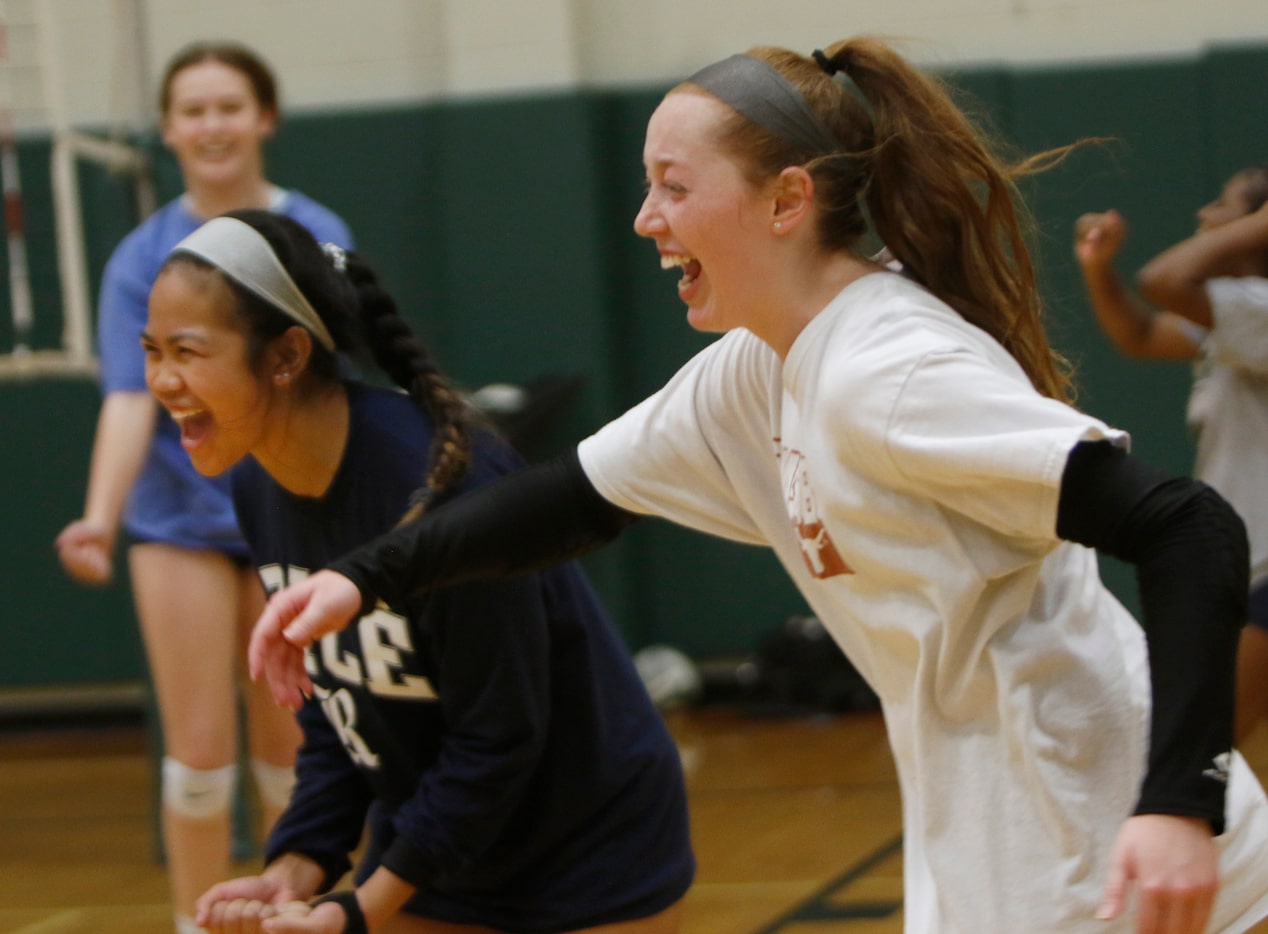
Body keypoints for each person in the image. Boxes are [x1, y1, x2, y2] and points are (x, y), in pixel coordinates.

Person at [246, 38, 1268, 934]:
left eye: (673, 186)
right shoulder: (757, 367)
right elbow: (574, 498)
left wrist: (1179, 798)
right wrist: (364, 578)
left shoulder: (888, 373)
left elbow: (1187, 525)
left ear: (788, 199)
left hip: (1099, 826)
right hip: (1001, 824)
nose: (645, 217)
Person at [144, 211, 695, 934]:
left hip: (587, 862)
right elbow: (339, 711)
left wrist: (360, 909)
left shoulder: (444, 488)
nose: (163, 380)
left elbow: (499, 739)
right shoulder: (259, 484)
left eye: (188, 351)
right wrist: (298, 865)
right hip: (441, 856)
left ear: (285, 357)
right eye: (152, 351)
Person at [52, 41, 353, 934]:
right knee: (198, 758)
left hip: (293, 520)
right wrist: (99, 520)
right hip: (177, 526)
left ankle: (288, 915)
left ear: (264, 117)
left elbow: (344, 388)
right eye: (193, 110)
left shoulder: (315, 236)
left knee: (293, 755)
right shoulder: (141, 258)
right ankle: (196, 921)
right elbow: (124, 400)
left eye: (230, 106)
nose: (213, 125)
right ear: (167, 130)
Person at [1074, 166, 1268, 745]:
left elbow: (1162, 279)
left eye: (1223, 207)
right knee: (1206, 747)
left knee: (1202, 746)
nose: (1206, 215)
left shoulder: (1260, 307)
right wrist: (1098, 270)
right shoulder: (1239, 315)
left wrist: (1256, 224)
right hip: (1249, 560)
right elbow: (1140, 333)